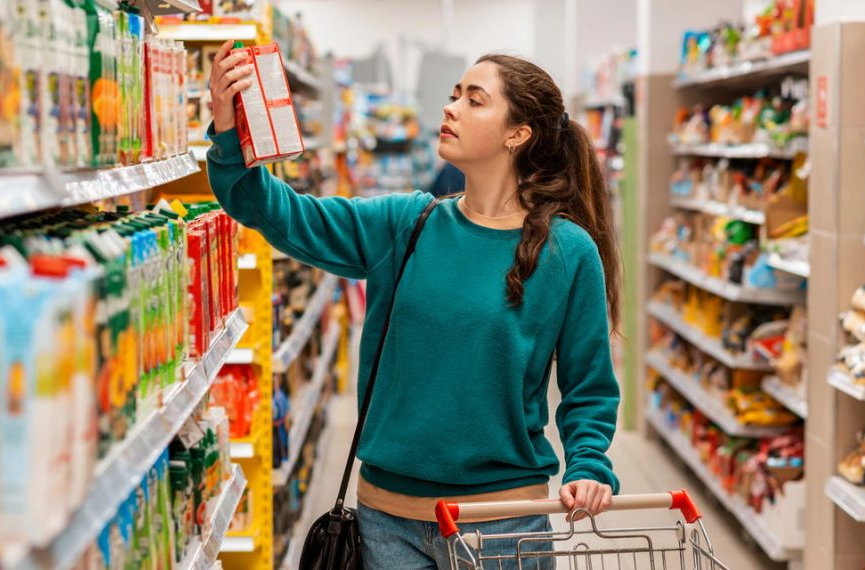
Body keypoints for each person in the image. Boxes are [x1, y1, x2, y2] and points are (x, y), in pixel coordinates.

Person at [206, 41, 621, 569]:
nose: (450, 108)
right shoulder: (406, 224)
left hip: (504, 524)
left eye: (474, 100)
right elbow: (276, 211)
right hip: (387, 522)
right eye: (454, 95)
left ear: (518, 135)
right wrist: (228, 129)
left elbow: (588, 385)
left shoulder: (567, 253)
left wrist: (587, 464)